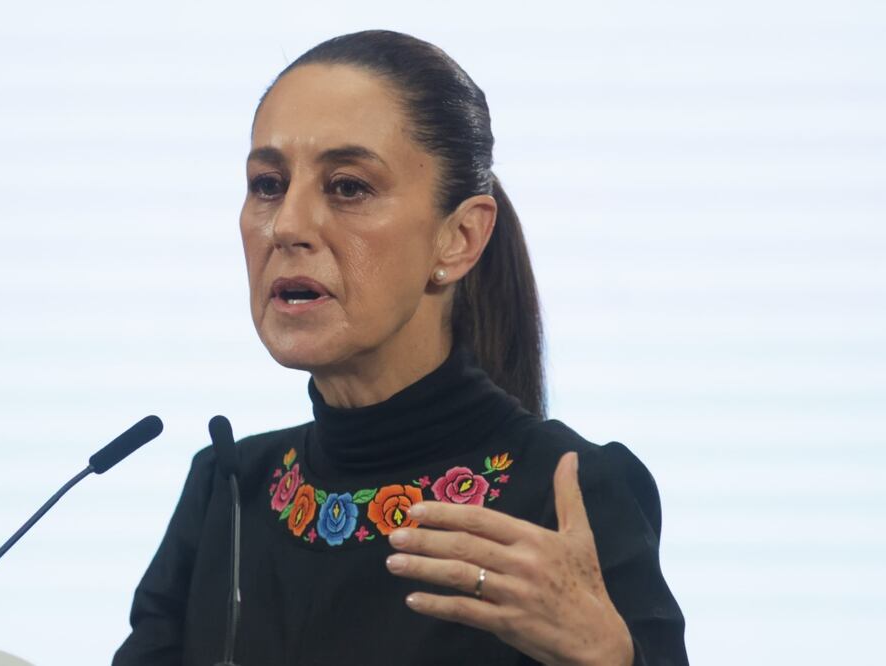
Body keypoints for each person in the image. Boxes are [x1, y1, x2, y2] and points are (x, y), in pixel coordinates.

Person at [113, 30, 687, 666]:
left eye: (348, 187)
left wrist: (611, 658)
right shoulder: (228, 489)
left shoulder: (567, 492)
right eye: (269, 183)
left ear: (459, 238)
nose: (288, 225)